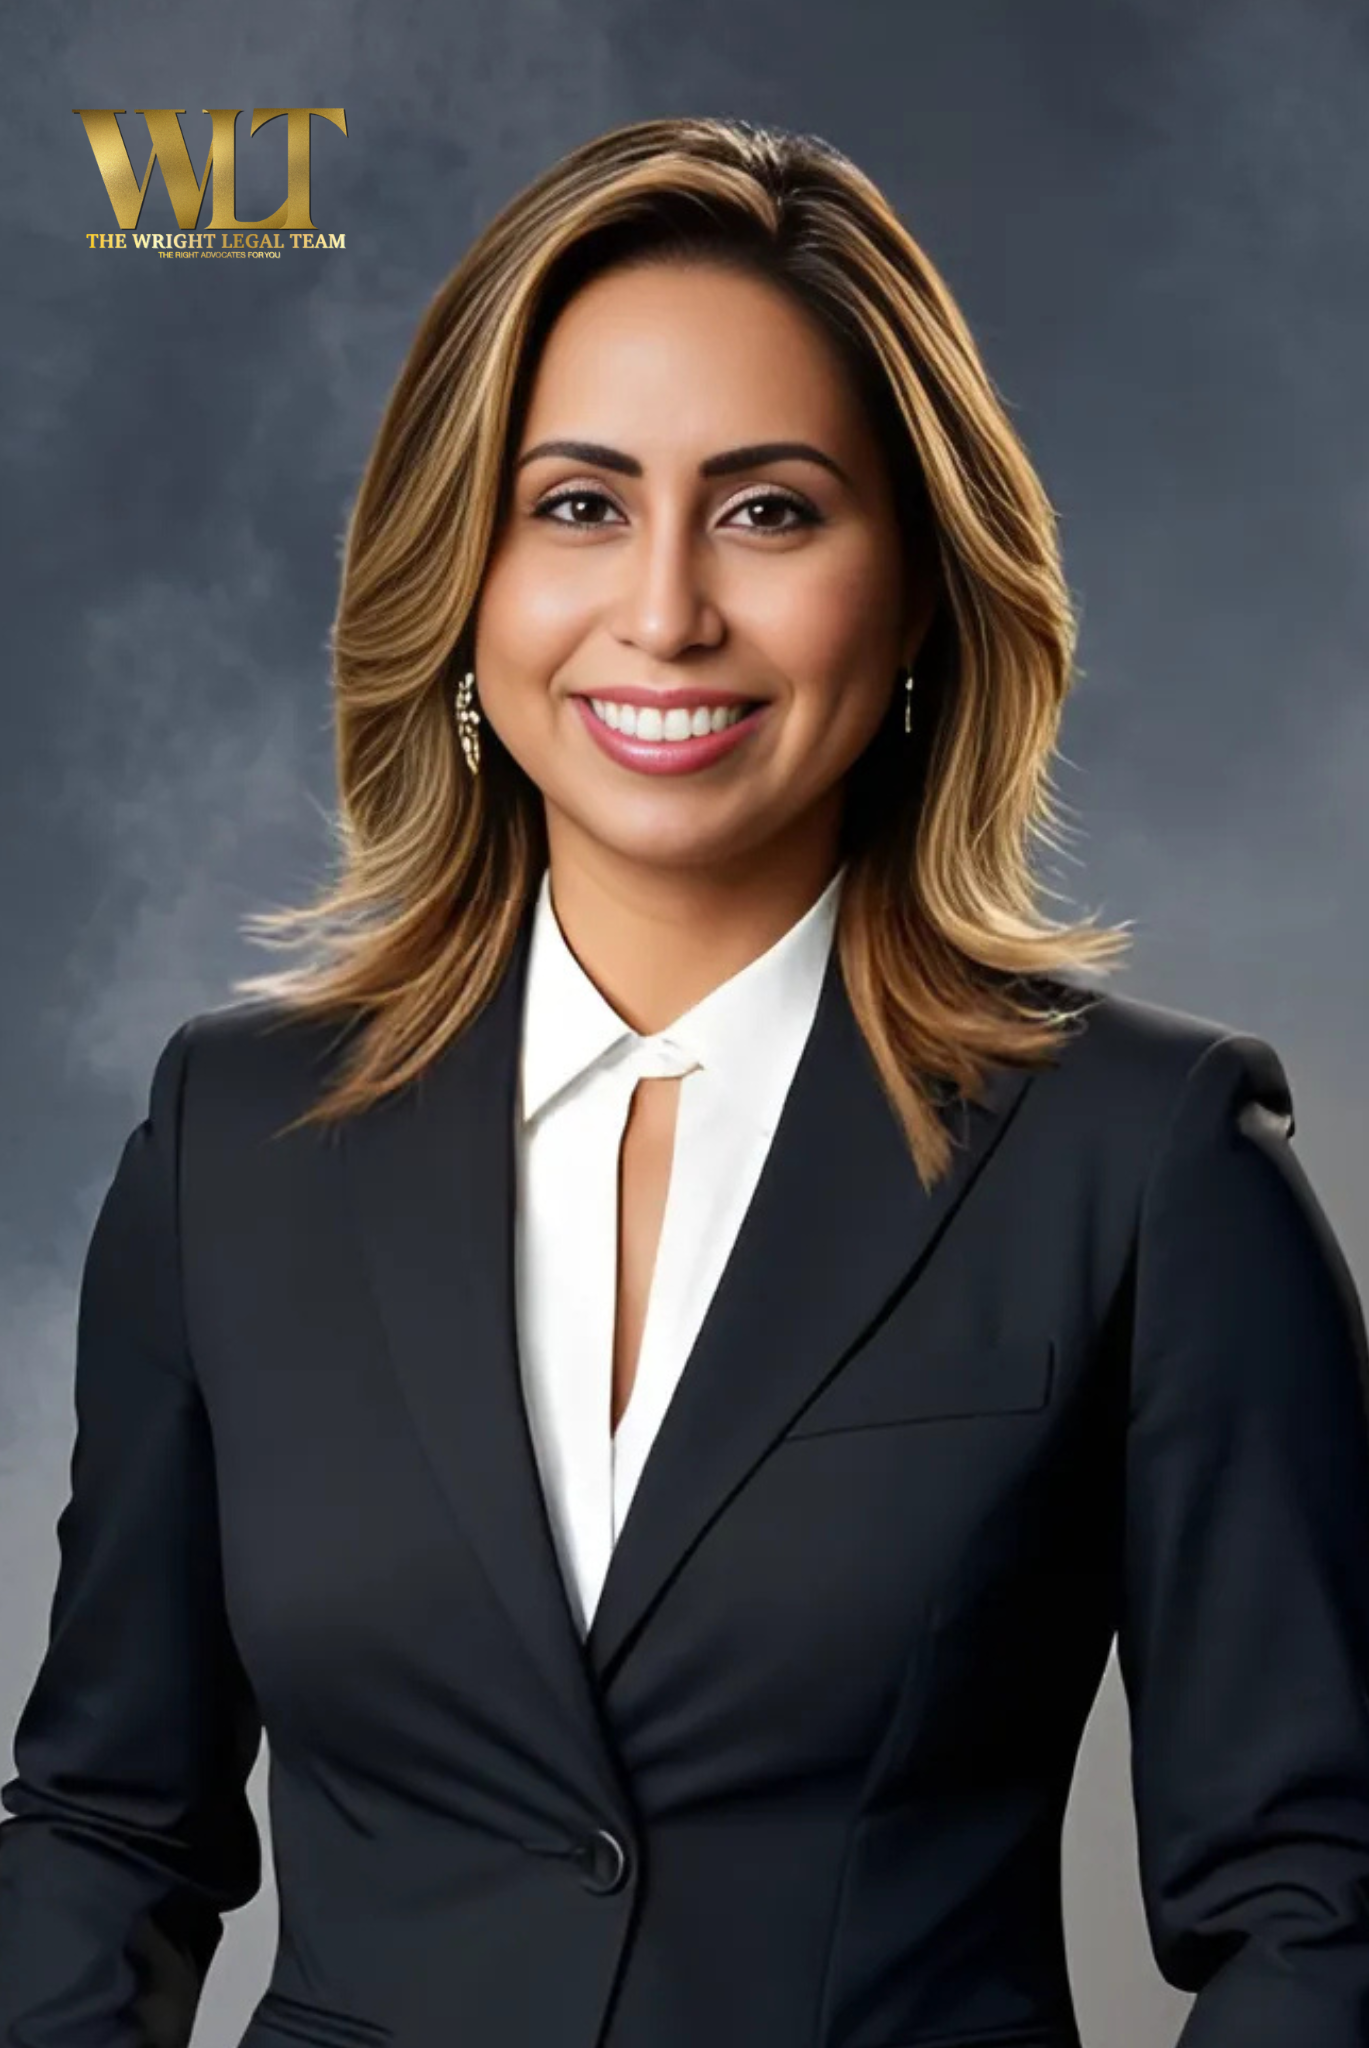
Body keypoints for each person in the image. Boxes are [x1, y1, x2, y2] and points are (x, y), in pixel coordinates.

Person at [2, 113, 1368, 2048]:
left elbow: (1319, 1911)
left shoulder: (1149, 1168)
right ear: (461, 579)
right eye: (576, 505)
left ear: (915, 597)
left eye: (769, 509)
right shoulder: (233, 1145)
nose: (664, 611)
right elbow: (102, 1830)